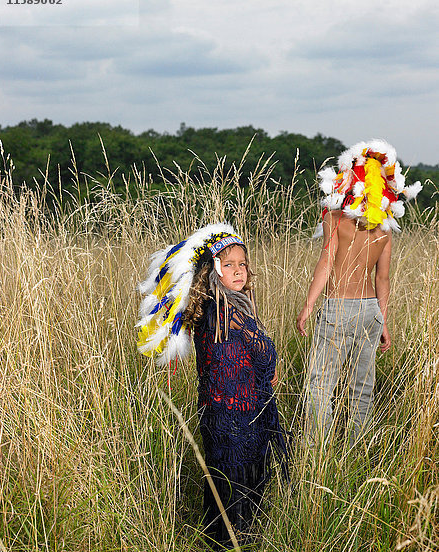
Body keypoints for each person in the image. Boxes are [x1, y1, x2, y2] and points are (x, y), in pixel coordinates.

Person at [137, 224, 289, 549]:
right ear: (213, 270)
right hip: (241, 413)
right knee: (243, 482)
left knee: (222, 480)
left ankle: (220, 536)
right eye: (229, 264)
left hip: (216, 411)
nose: (238, 270)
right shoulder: (231, 310)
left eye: (242, 263)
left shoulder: (207, 308)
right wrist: (270, 366)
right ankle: (237, 538)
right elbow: (262, 351)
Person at [296, 139, 422, 446]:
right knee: (362, 388)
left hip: (338, 306)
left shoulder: (335, 219)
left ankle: (316, 452)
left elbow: (326, 261)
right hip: (370, 312)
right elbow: (383, 279)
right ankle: (358, 449)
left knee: (319, 386)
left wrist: (309, 304)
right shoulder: (385, 230)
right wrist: (384, 321)